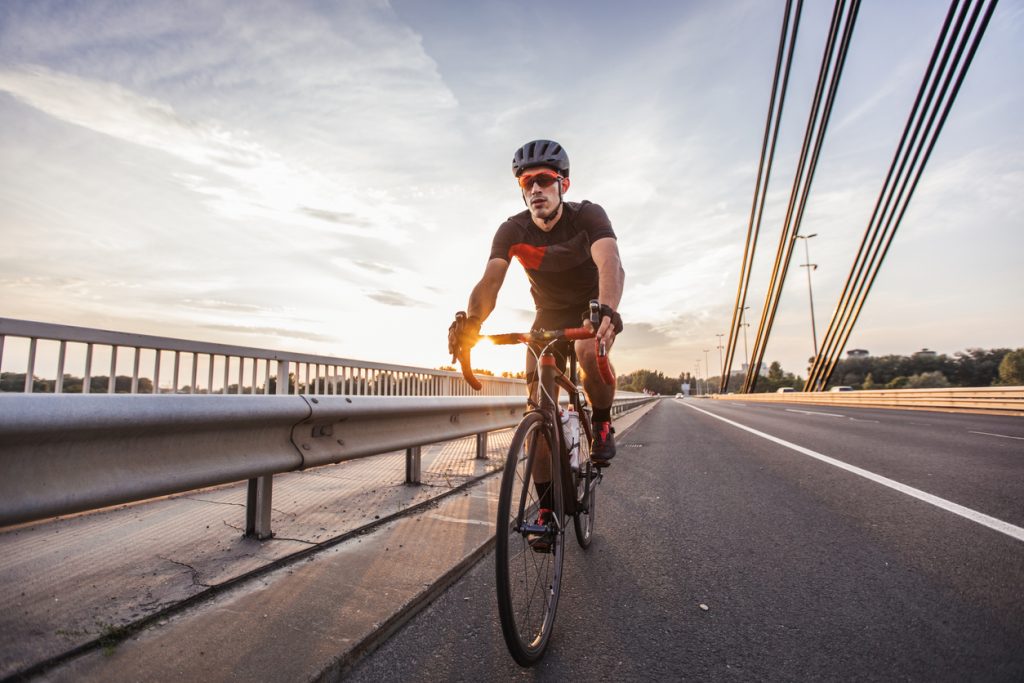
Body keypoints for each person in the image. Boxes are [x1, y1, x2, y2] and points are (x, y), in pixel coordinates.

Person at [448, 139, 625, 468]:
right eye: (527, 183)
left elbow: (610, 263)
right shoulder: (512, 230)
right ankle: (544, 512)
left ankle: (601, 423)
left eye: (544, 179)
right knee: (537, 411)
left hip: (593, 304)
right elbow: (490, 282)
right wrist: (473, 323)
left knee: (589, 351)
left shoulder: (587, 215)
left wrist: (607, 311)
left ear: (563, 184)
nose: (536, 189)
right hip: (549, 313)